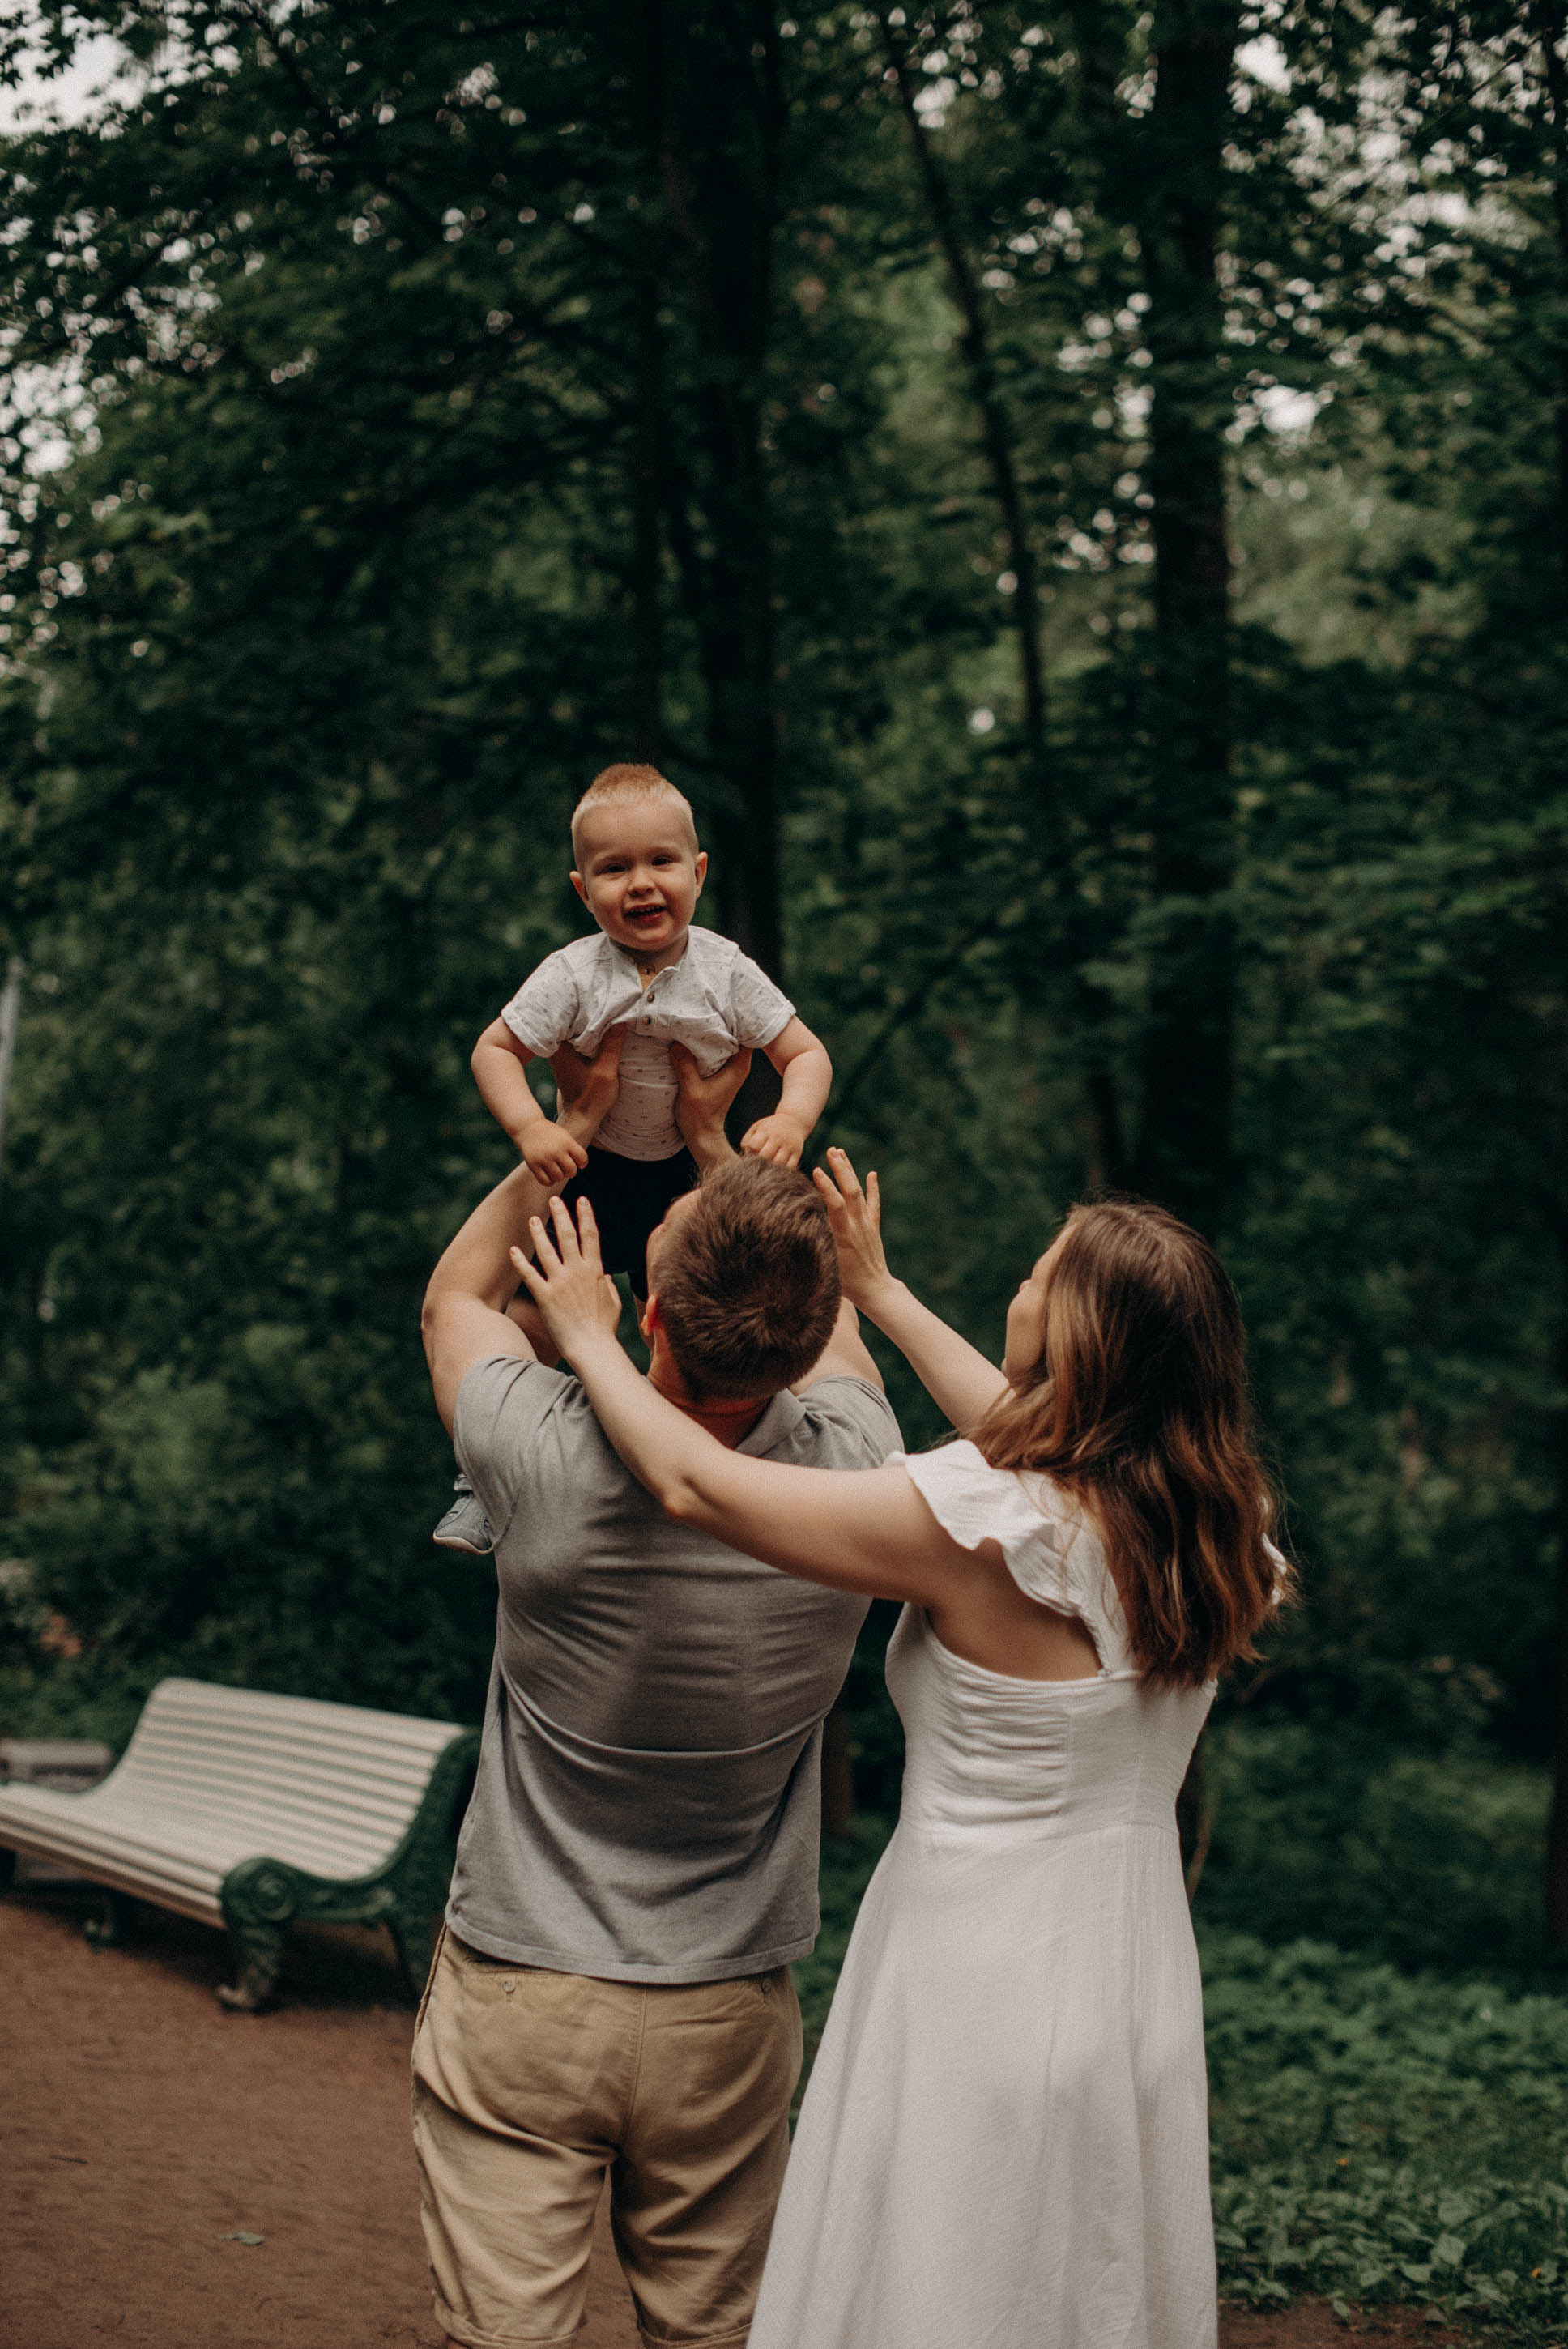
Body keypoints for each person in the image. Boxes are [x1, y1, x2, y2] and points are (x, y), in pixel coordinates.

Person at [513, 1151, 1291, 2349]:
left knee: (943, 2282)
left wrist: (589, 1337)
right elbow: (1034, 1448)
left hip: (977, 1973)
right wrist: (874, 1293)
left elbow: (694, 1486)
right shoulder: (1204, 1528)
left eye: (1041, 1272)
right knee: (1074, 2280)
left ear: (1076, 1332)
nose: (1023, 1286)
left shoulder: (976, 1530)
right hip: (1132, 1978)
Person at [413, 1051, 901, 2349]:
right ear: (803, 1343)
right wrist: (718, 1143)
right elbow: (822, 1316)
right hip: (727, 2011)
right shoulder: (858, 1479)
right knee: (713, 2331)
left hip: (525, 1983)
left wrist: (559, 1143)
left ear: (645, 1318)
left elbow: (451, 1300)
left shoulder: (537, 1448)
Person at [435, 759, 832, 1557]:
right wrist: (532, 1129)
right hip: (590, 1172)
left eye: (661, 861)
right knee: (527, 1313)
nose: (641, 883)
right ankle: (486, 1477)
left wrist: (790, 1120)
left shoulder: (725, 971)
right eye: (614, 868)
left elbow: (807, 1051)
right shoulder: (573, 974)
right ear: (583, 890)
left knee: (706, 1330)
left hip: (684, 1181)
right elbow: (493, 1049)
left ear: (699, 871)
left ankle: (743, 1477)